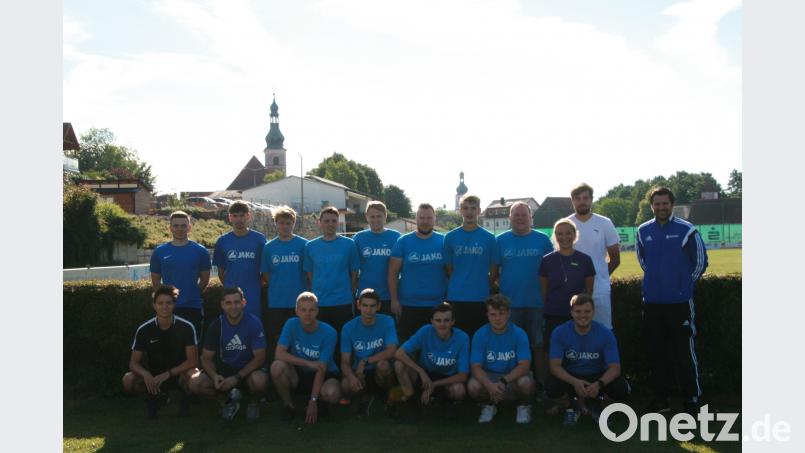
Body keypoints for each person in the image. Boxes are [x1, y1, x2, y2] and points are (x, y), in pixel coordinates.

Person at [637, 186, 708, 415]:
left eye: (665, 203)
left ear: (671, 204)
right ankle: (661, 400)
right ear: (652, 206)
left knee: (684, 353)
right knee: (656, 353)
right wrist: (656, 286)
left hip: (679, 304)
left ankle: (692, 401)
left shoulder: (687, 230)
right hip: (653, 303)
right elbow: (644, 261)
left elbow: (700, 263)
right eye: (656, 204)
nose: (661, 207)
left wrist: (681, 289)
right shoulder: (643, 230)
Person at [546, 293, 630, 426]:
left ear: (593, 312)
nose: (582, 315)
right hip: (572, 376)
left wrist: (599, 384)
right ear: (571, 312)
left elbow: (615, 368)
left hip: (597, 376)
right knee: (551, 386)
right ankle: (571, 405)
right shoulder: (559, 332)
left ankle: (599, 405)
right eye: (578, 311)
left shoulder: (605, 333)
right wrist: (574, 382)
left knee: (621, 388)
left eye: (587, 311)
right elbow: (554, 366)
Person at [190, 287, 268, 422]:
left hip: (248, 369)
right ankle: (226, 402)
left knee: (260, 381)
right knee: (195, 383)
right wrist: (214, 376)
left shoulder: (254, 323)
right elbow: (205, 358)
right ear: (222, 305)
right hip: (224, 369)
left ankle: (253, 403)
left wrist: (237, 378)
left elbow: (260, 358)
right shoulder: (216, 325)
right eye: (228, 303)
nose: (233, 307)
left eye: (237, 302)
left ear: (243, 303)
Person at [495, 201, 553, 382]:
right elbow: (494, 273)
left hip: (537, 303)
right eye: (516, 215)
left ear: (531, 218)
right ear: (509, 217)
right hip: (510, 305)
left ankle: (542, 386)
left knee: (539, 346)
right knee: (512, 347)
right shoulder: (500, 241)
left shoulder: (543, 240)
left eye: (524, 215)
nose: (520, 218)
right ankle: (514, 386)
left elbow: (551, 271)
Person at [123, 285, 199, 419]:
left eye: (168, 303)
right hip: (154, 375)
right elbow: (133, 363)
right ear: (154, 305)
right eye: (160, 303)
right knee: (128, 379)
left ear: (174, 304)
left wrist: (168, 374)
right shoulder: (144, 329)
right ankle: (157, 397)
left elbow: (192, 361)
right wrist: (145, 374)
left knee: (195, 377)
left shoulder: (187, 327)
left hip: (179, 373)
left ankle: (184, 398)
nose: (164, 307)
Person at [270, 292, 341, 424]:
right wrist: (308, 363)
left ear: (317, 311)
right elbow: (279, 354)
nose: (307, 314)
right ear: (296, 311)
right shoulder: (291, 324)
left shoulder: (329, 332)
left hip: (325, 374)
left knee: (332, 393)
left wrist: (312, 401)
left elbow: (322, 368)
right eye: (303, 310)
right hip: (300, 373)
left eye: (311, 310)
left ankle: (318, 400)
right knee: (276, 366)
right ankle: (288, 406)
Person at [392, 302, 469, 418]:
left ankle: (449, 405)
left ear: (453, 322)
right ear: (432, 321)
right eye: (438, 320)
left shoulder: (462, 338)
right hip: (425, 375)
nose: (442, 324)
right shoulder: (425, 331)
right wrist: (421, 371)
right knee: (399, 365)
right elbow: (399, 353)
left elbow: (463, 376)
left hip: (447, 379)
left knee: (459, 390)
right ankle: (412, 402)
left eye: (446, 320)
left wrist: (434, 385)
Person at [468, 295, 535, 424]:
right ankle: (488, 405)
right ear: (487, 315)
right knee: (473, 386)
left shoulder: (519, 333)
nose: (497, 318)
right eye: (493, 314)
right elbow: (475, 366)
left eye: (501, 314)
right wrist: (489, 385)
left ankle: (523, 406)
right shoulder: (480, 334)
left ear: (508, 314)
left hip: (512, 377)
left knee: (526, 383)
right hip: (490, 376)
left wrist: (503, 381)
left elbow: (524, 365)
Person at [388, 203, 448, 342]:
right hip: (409, 305)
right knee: (409, 350)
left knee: (435, 347)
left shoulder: (444, 241)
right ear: (416, 219)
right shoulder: (403, 241)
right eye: (422, 218)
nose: (425, 221)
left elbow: (450, 272)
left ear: (434, 219)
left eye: (429, 218)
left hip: (437, 305)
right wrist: (394, 300)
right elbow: (392, 274)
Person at [566, 183, 621, 329]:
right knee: (575, 330)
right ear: (572, 201)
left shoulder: (605, 223)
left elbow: (615, 259)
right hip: (573, 288)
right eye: (578, 198)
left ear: (591, 200)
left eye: (585, 198)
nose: (582, 201)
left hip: (600, 289)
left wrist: (601, 275)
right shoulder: (566, 224)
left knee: (603, 329)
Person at [444, 195, 500, 336]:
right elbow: (448, 268)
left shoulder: (489, 238)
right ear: (460, 211)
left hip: (480, 297)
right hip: (456, 296)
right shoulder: (450, 237)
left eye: (473, 208)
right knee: (457, 337)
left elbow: (494, 269)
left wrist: (483, 284)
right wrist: (459, 281)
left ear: (479, 211)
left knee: (478, 336)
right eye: (466, 208)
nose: (469, 212)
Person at [150, 211, 211, 335]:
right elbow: (155, 281)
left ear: (189, 227)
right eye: (176, 226)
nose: (180, 229)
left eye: (183, 225)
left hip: (193, 307)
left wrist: (191, 294)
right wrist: (165, 301)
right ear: (170, 228)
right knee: (169, 347)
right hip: (167, 308)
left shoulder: (200, 251)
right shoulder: (159, 252)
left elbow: (205, 280)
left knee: (193, 347)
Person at [539, 219, 595, 354]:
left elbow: (589, 291)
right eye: (560, 234)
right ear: (555, 236)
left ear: (575, 235)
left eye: (568, 233)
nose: (564, 237)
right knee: (554, 353)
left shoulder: (585, 260)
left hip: (577, 316)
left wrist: (582, 312)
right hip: (553, 315)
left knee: (576, 352)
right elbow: (544, 290)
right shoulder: (546, 260)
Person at [260, 205, 308, 361]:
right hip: (277, 302)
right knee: (278, 339)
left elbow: (309, 272)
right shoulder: (269, 247)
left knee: (300, 340)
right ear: (275, 223)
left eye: (288, 223)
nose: (285, 226)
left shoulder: (304, 245)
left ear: (294, 223)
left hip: (300, 303)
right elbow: (265, 274)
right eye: (281, 223)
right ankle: (276, 371)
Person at [340, 289, 398, 414]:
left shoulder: (387, 321)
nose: (368, 310)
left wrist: (366, 361)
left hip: (380, 369)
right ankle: (361, 399)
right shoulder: (348, 327)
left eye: (372, 306)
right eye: (365, 305)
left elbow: (392, 350)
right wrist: (351, 377)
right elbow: (344, 361)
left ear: (379, 306)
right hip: (360, 373)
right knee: (345, 384)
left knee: (383, 365)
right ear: (358, 305)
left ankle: (388, 397)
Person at [304, 206, 360, 331]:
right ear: (320, 223)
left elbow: (354, 272)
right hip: (319, 302)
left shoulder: (349, 244)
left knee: (342, 339)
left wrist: (349, 290)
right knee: (322, 339)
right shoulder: (310, 246)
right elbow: (309, 273)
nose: (330, 224)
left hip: (343, 301)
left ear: (338, 223)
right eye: (327, 221)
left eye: (334, 221)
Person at [213, 201, 266, 320]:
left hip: (253, 295)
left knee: (253, 328)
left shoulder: (259, 239)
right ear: (230, 218)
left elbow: (265, 269)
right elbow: (221, 272)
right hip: (230, 296)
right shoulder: (222, 241)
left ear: (248, 216)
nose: (239, 219)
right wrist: (230, 287)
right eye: (235, 216)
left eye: (242, 215)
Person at [353, 201, 401, 315]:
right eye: (372, 216)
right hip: (365, 296)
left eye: (379, 216)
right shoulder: (358, 238)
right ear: (366, 217)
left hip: (388, 295)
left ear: (385, 217)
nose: (375, 220)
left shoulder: (396, 237)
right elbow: (353, 269)